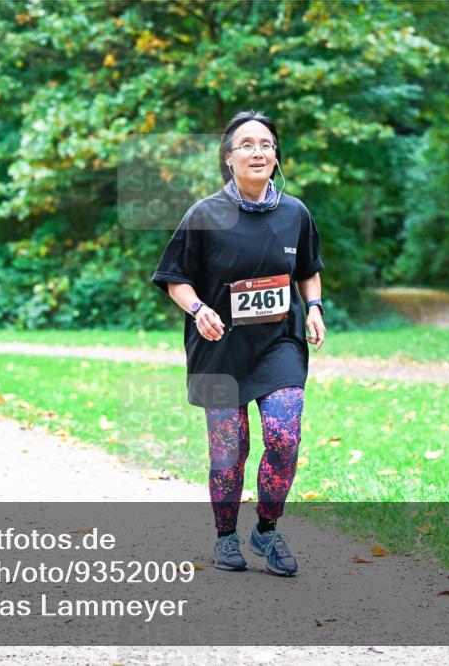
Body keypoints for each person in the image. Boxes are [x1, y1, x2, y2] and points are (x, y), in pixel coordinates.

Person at [151, 110, 326, 576]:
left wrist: (314, 308)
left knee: (284, 436)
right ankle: (226, 536)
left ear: (276, 156)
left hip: (279, 344)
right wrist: (199, 309)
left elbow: (308, 269)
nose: (258, 151)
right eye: (246, 144)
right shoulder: (204, 214)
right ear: (229, 158)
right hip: (219, 347)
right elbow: (175, 279)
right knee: (229, 452)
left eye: (266, 144)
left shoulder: (295, 212)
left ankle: (266, 530)